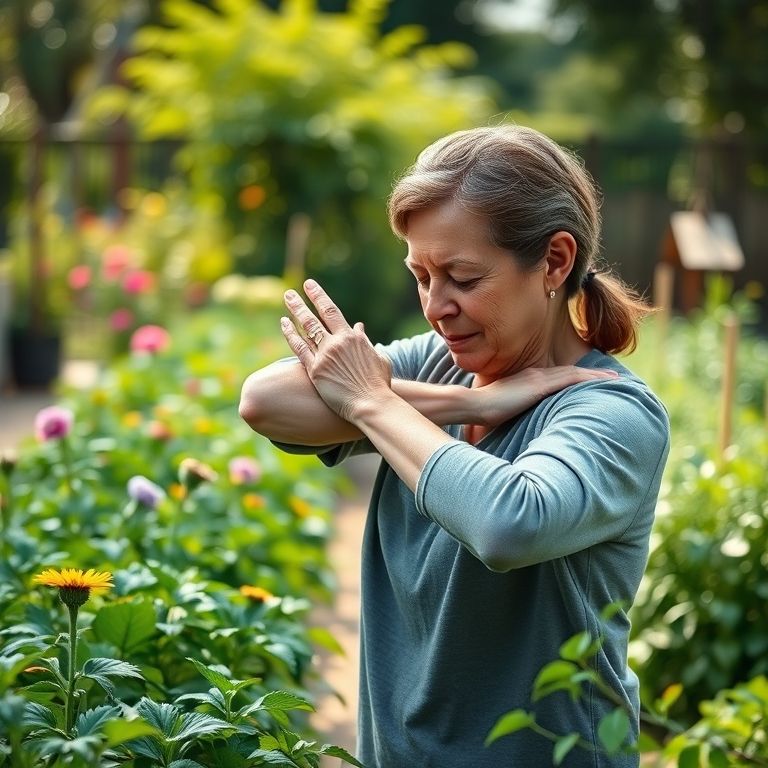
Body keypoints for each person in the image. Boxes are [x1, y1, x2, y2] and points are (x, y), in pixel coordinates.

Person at [239, 124, 670, 768]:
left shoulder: (611, 413)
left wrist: (375, 401)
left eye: (463, 278)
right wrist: (469, 401)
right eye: (421, 275)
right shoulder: (441, 365)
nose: (436, 306)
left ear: (554, 261)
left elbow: (511, 523)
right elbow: (265, 402)